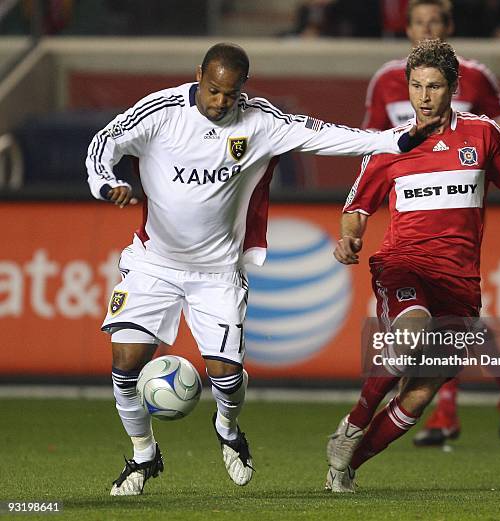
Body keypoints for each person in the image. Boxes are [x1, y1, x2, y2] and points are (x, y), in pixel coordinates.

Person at [85, 42, 434, 496]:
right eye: (212, 91)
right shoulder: (160, 112)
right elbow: (103, 143)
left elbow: (327, 135)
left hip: (218, 273)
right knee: (124, 365)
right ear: (199, 76)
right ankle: (142, 456)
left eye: (230, 95)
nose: (220, 102)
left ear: (242, 89)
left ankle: (228, 428)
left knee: (226, 378)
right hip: (154, 263)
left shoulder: (262, 121)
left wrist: (395, 139)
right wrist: (106, 182)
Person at [325, 38, 500, 492]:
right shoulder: (389, 145)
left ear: (453, 88)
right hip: (403, 264)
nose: (424, 97)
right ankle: (354, 422)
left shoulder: (483, 133)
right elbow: (357, 206)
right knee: (412, 332)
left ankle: (348, 462)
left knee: (422, 389)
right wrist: (350, 236)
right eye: (416, 86)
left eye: (434, 87)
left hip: (460, 281)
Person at [359, 0, 500, 447]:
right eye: (418, 22)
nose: (426, 29)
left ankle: (458, 406)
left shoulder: (475, 76)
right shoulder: (385, 79)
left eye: (435, 22)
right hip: (413, 202)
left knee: (452, 312)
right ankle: (490, 392)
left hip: (459, 199)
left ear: (449, 26)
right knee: (445, 320)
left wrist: (474, 162)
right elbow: (371, 140)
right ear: (406, 29)